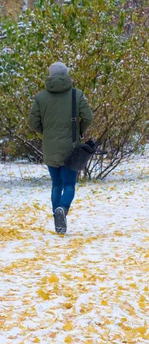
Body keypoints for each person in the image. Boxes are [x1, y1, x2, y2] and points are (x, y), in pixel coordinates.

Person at [28, 62, 93, 234]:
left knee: (56, 185)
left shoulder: (40, 97)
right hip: (70, 147)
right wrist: (78, 131)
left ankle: (57, 217)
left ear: (50, 76)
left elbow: (32, 123)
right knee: (69, 184)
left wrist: (46, 133)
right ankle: (62, 210)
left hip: (49, 146)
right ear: (66, 75)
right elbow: (88, 117)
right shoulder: (76, 95)